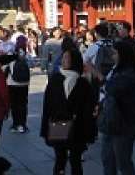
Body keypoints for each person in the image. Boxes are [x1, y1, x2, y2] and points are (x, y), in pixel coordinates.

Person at [41, 47, 97, 175]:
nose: (63, 60)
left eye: (67, 57)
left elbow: (89, 109)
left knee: (75, 160)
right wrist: (45, 128)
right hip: (58, 124)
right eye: (63, 57)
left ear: (74, 60)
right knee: (60, 159)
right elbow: (47, 105)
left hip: (78, 127)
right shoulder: (55, 79)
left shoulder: (83, 83)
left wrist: (90, 131)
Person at [98, 40, 135, 175]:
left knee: (122, 161)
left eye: (115, 53)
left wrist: (103, 80)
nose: (113, 56)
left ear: (123, 54)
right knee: (108, 160)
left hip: (123, 122)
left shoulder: (128, 73)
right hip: (110, 120)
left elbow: (112, 88)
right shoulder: (116, 70)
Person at [5, 36, 31, 133]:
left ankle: (15, 124)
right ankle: (22, 124)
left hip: (12, 83)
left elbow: (7, 66)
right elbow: (31, 65)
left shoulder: (12, 52)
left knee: (14, 105)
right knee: (23, 104)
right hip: (24, 83)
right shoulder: (27, 54)